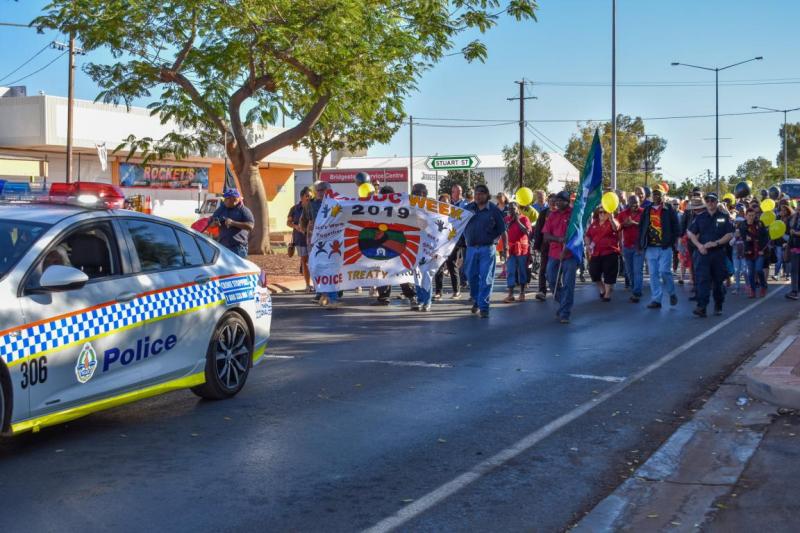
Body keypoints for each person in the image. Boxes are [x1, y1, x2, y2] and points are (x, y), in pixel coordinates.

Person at [687, 193, 735, 317]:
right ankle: (702, 307)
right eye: (707, 200)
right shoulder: (700, 217)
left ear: (716, 201)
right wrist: (699, 246)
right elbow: (691, 233)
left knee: (718, 282)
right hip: (703, 254)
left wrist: (716, 243)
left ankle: (718, 304)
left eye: (712, 200)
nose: (710, 203)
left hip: (718, 254)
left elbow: (729, 234)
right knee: (702, 280)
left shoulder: (723, 217)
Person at [463, 184, 506, 317]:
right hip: (470, 248)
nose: (478, 196)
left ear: (487, 195)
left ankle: (484, 307)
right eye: (476, 193)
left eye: (481, 193)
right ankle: (476, 299)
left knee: (486, 278)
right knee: (471, 276)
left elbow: (502, 230)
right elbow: (455, 222)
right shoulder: (468, 208)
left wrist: (506, 248)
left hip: (487, 249)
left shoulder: (494, 210)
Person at [638, 184, 680, 309]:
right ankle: (656, 299)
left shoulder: (669, 209)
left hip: (664, 247)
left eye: (659, 194)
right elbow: (641, 227)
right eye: (654, 194)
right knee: (653, 274)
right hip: (650, 247)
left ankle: (672, 293)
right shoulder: (647, 210)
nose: (656, 196)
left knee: (664, 271)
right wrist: (640, 243)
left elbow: (676, 226)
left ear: (663, 196)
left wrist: (673, 241)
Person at [303, 181, 341, 308]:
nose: (318, 192)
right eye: (317, 190)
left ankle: (333, 295)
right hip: (316, 241)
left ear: (328, 190)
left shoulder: (337, 202)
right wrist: (308, 235)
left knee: (331, 266)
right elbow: (306, 221)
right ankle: (320, 292)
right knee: (316, 266)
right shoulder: (311, 205)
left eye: (321, 190)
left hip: (333, 240)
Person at [542, 191, 577, 324]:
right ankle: (564, 303)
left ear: (567, 201)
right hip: (554, 254)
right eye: (556, 200)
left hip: (570, 255)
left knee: (568, 284)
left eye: (560, 200)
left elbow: (577, 236)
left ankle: (565, 313)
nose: (557, 202)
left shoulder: (574, 214)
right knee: (551, 280)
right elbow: (546, 236)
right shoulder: (552, 215)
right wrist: (559, 239)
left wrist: (567, 248)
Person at [586, 206, 621, 302]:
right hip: (596, 253)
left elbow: (616, 228)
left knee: (609, 273)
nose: (602, 213)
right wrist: (588, 244)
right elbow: (588, 235)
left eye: (604, 212)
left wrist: (611, 218)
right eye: (600, 212)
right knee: (593, 272)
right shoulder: (594, 223)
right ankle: (602, 289)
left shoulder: (613, 221)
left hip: (609, 252)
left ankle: (607, 294)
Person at [210, 189, 255, 258]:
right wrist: (215, 223)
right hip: (222, 246)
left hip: (238, 247)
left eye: (227, 198)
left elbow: (250, 226)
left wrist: (233, 223)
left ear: (234, 199)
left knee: (239, 268)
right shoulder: (221, 209)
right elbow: (210, 224)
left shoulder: (244, 210)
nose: (224, 200)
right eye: (224, 198)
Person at [502, 202, 532, 302]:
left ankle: (522, 292)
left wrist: (518, 220)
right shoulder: (506, 219)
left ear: (517, 209)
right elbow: (504, 232)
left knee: (522, 270)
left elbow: (527, 232)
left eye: (513, 209)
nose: (511, 211)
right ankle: (510, 294)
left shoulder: (524, 218)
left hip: (522, 249)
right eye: (509, 209)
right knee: (510, 271)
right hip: (510, 249)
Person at [617, 194, 644, 303]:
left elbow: (646, 226)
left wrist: (634, 223)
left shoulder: (644, 212)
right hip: (626, 246)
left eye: (637, 203)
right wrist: (624, 224)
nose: (635, 205)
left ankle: (636, 292)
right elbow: (618, 227)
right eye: (632, 203)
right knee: (630, 271)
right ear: (628, 203)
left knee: (638, 270)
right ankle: (635, 289)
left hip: (639, 246)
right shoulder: (622, 214)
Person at [434, 193, 460, 300]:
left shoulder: (454, 214)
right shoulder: (435, 214)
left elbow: (458, 228)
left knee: (451, 266)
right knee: (438, 267)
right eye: (442, 201)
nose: (444, 203)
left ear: (450, 203)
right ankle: (438, 292)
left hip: (451, 244)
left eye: (446, 201)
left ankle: (456, 291)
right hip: (439, 245)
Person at [533, 193, 557, 301]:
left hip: (558, 246)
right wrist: (537, 244)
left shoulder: (561, 213)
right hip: (545, 245)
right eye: (551, 200)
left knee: (556, 268)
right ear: (548, 201)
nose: (553, 202)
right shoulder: (543, 213)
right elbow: (538, 229)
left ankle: (557, 289)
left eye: (555, 200)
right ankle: (542, 290)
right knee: (543, 268)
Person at [288, 186, 313, 292]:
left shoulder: (314, 207)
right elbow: (288, 222)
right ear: (302, 197)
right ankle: (308, 285)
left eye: (311, 196)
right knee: (305, 261)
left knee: (314, 262)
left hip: (313, 239)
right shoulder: (294, 209)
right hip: (300, 239)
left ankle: (317, 284)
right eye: (307, 196)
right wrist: (296, 227)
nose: (309, 198)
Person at [739, 209, 768, 298]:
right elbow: (744, 237)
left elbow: (765, 237)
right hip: (749, 251)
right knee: (750, 273)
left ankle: (763, 286)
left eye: (753, 215)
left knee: (759, 269)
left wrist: (762, 249)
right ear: (746, 216)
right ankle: (752, 290)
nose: (751, 217)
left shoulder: (760, 224)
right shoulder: (743, 225)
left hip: (759, 250)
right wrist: (746, 238)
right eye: (749, 215)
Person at [787, 207, 800, 300]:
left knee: (795, 270)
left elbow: (794, 231)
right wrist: (795, 216)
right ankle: (795, 291)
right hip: (795, 246)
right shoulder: (795, 217)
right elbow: (790, 226)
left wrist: (795, 232)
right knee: (794, 270)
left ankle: (795, 292)